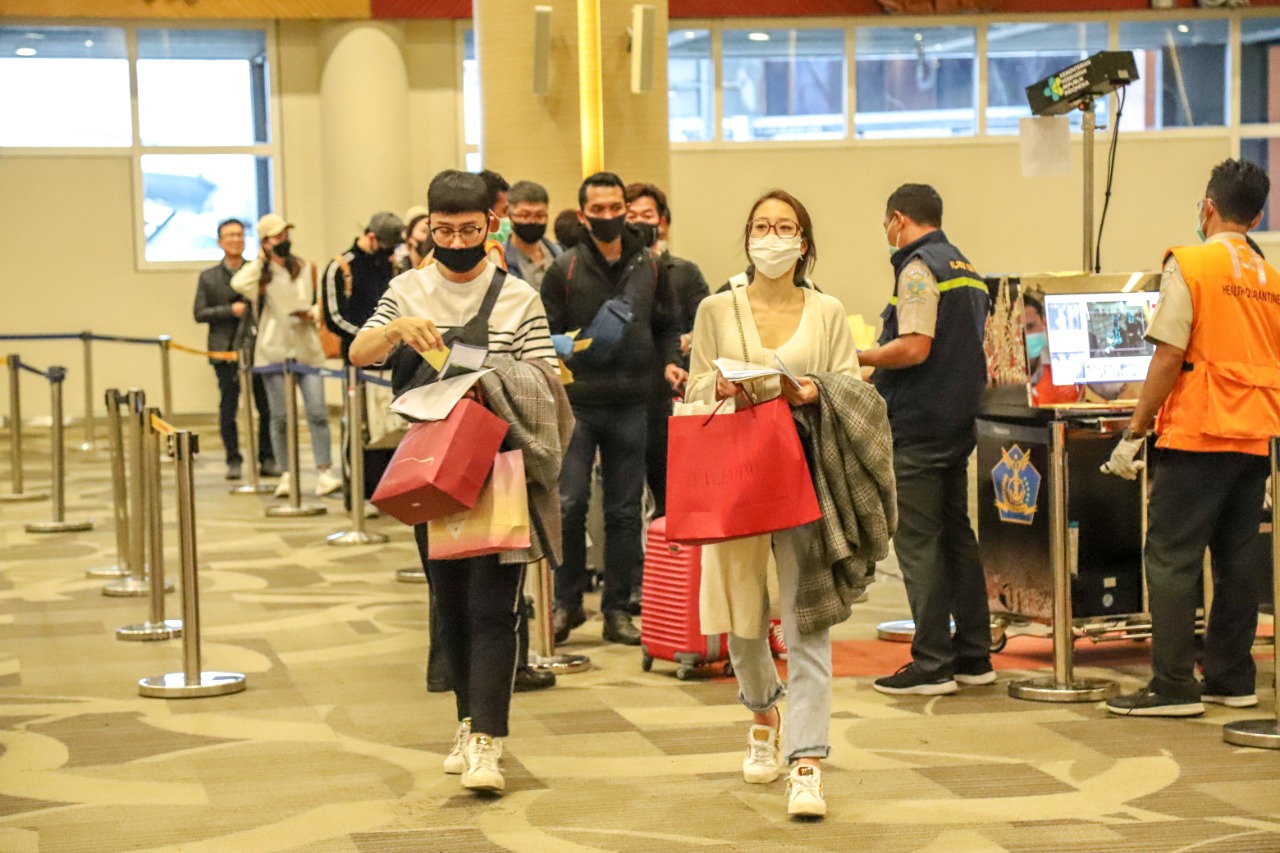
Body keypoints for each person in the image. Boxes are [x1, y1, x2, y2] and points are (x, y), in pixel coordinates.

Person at [348, 170, 563, 794]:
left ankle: (487, 742)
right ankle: (468, 721)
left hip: (498, 464)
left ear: (489, 228)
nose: (457, 241)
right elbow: (360, 351)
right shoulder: (407, 287)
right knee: (449, 601)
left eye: (469, 230)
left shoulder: (518, 296)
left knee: (492, 605)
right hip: (431, 465)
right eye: (444, 231)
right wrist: (395, 331)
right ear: (429, 230)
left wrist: (488, 376)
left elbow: (546, 383)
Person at [685, 189, 889, 819]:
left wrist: (812, 392)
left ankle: (807, 760)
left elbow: (853, 391)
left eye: (785, 226)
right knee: (741, 622)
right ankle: (763, 711)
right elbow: (693, 390)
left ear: (803, 242)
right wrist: (715, 385)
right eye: (761, 226)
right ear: (747, 237)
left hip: (806, 479)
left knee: (808, 620)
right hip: (736, 479)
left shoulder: (826, 311)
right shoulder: (716, 309)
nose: (771, 236)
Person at [1103, 159, 1280, 717]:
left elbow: (1169, 352)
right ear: (1256, 215)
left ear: (1208, 206)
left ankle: (1175, 685)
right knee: (1237, 563)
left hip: (1198, 434)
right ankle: (1232, 678)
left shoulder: (1193, 263)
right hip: (1254, 439)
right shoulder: (1271, 278)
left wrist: (1134, 431)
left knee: (1173, 560)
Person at [860, 184, 995, 696]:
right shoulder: (965, 266)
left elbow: (915, 347)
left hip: (918, 427)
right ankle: (974, 656)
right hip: (957, 422)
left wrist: (862, 357)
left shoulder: (918, 268)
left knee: (918, 544)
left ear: (898, 218)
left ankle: (933, 662)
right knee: (956, 537)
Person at [541, 171, 682, 646]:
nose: (608, 217)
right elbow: (545, 337)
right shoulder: (563, 271)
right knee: (570, 503)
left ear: (626, 207)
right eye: (597, 210)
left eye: (614, 207)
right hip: (578, 405)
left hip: (634, 403)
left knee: (624, 511)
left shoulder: (650, 266)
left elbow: (667, 325)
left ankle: (617, 610)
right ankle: (567, 604)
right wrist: (573, 348)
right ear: (582, 215)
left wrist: (670, 364)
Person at [231, 214, 339, 498]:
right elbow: (239, 285)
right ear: (265, 242)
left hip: (306, 348)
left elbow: (316, 301)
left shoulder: (302, 267)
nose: (284, 241)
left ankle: (324, 471)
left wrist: (311, 313)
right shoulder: (260, 274)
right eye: (277, 237)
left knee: (317, 411)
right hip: (274, 350)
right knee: (279, 417)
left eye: (285, 235)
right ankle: (286, 472)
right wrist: (260, 260)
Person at [624, 182, 709, 522]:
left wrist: (685, 341)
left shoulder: (684, 273)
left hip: (670, 394)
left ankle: (667, 564)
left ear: (663, 223)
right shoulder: (619, 273)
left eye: (647, 215)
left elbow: (706, 322)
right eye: (631, 216)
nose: (639, 222)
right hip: (626, 394)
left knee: (668, 490)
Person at [192, 218, 277, 480]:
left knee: (265, 406)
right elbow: (199, 313)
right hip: (224, 350)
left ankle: (268, 457)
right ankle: (233, 459)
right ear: (219, 241)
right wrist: (230, 310)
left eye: (240, 235)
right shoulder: (208, 277)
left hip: (257, 348)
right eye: (229, 235)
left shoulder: (258, 271)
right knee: (228, 406)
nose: (235, 240)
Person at [320, 211, 404, 362]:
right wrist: (369, 338)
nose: (390, 252)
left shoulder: (392, 266)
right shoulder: (341, 267)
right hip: (358, 358)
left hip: (392, 358)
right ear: (371, 237)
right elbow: (334, 319)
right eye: (387, 247)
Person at [1023, 294, 1086, 406]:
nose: (1024, 336)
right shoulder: (993, 371)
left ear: (1044, 324)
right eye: (1017, 329)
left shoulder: (1066, 363)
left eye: (1030, 326)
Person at [504, 180, 562, 291]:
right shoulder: (500, 261)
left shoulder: (559, 256)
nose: (532, 221)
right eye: (525, 215)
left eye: (540, 215)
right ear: (509, 215)